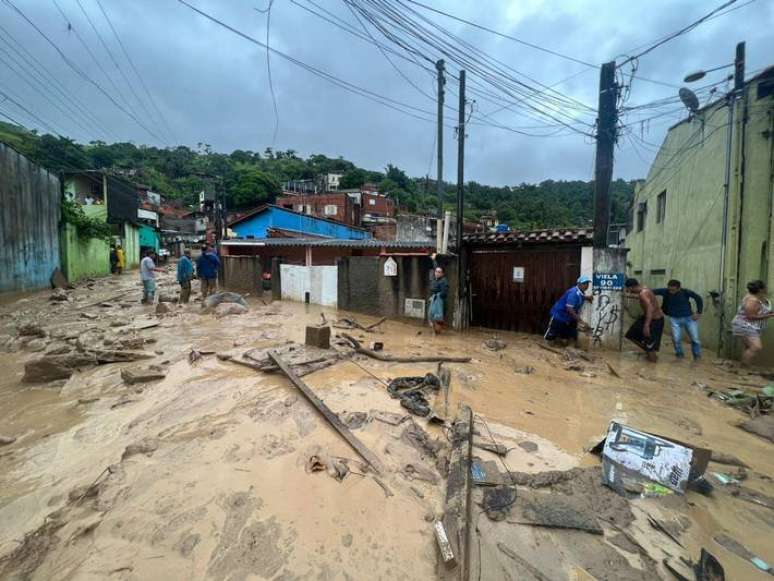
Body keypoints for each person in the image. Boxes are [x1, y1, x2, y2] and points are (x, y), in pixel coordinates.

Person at [654, 279, 704, 360]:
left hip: (689, 318)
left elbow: (698, 298)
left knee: (695, 339)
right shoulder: (665, 291)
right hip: (674, 319)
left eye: (673, 290)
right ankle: (679, 354)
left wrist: (699, 312)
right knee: (676, 339)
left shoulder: (685, 292)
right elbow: (650, 292)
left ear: (679, 288)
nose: (671, 291)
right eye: (669, 289)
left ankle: (697, 356)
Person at [731, 279, 773, 365]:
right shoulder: (752, 300)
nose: (767, 289)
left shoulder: (755, 297)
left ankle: (743, 366)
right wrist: (769, 316)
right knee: (756, 346)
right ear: (760, 289)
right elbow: (750, 316)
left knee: (749, 346)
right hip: (745, 325)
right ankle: (744, 367)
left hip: (747, 325)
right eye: (765, 287)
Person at [624, 278, 666, 362]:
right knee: (631, 335)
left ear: (631, 287)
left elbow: (650, 308)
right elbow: (641, 297)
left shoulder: (643, 294)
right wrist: (626, 295)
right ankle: (648, 349)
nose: (628, 291)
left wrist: (646, 325)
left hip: (655, 320)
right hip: (646, 317)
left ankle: (653, 367)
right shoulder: (644, 289)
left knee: (650, 346)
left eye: (628, 289)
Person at [545, 275, 592, 347]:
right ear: (579, 284)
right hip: (559, 314)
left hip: (567, 317)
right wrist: (580, 320)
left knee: (567, 333)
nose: (586, 285)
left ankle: (562, 341)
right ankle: (549, 342)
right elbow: (569, 308)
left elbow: (580, 296)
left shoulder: (580, 292)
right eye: (584, 283)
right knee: (552, 332)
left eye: (587, 283)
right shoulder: (573, 293)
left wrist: (586, 297)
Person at [428, 265, 448, 335]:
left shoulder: (444, 281)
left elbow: (444, 293)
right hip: (435, 300)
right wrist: (433, 296)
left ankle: (437, 333)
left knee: (438, 318)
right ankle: (435, 332)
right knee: (431, 316)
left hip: (440, 302)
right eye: (436, 271)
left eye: (439, 272)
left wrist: (437, 296)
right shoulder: (436, 280)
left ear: (442, 274)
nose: (437, 273)